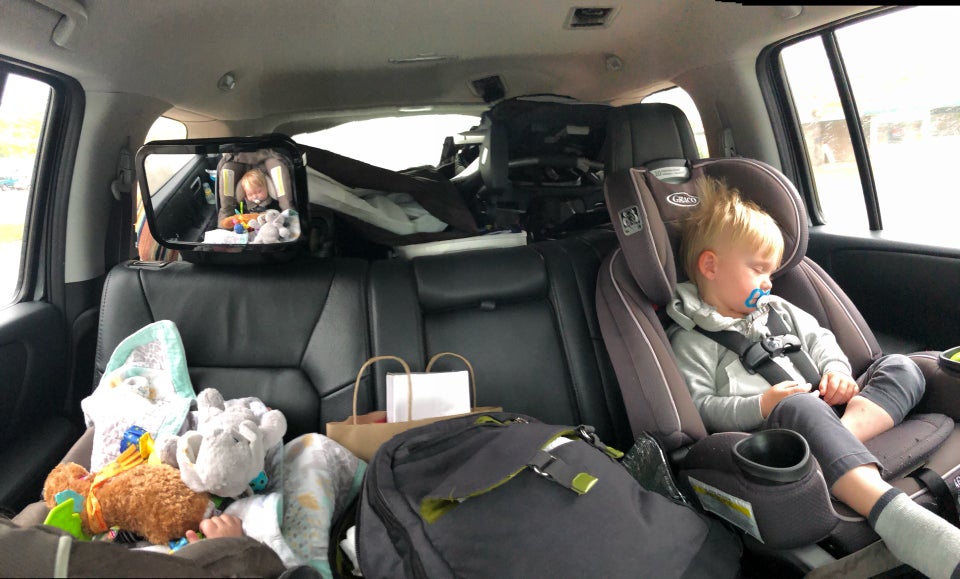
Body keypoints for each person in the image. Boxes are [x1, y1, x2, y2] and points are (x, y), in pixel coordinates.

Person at [666, 176, 960, 578]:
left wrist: (837, 372)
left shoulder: (778, 309)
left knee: (901, 366)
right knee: (798, 405)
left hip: (832, 409)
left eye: (771, 272)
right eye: (758, 269)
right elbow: (701, 407)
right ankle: (893, 514)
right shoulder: (691, 340)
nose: (768, 281)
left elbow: (822, 342)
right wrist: (761, 405)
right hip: (778, 436)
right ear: (710, 266)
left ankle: (838, 442)